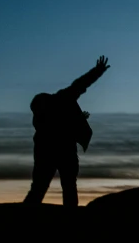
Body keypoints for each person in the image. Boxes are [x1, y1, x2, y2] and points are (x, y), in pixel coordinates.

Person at [23, 55, 110, 207]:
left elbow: (80, 85)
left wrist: (97, 71)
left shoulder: (41, 119)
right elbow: (80, 85)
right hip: (62, 150)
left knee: (43, 187)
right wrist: (97, 71)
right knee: (64, 186)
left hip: (50, 151)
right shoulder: (60, 100)